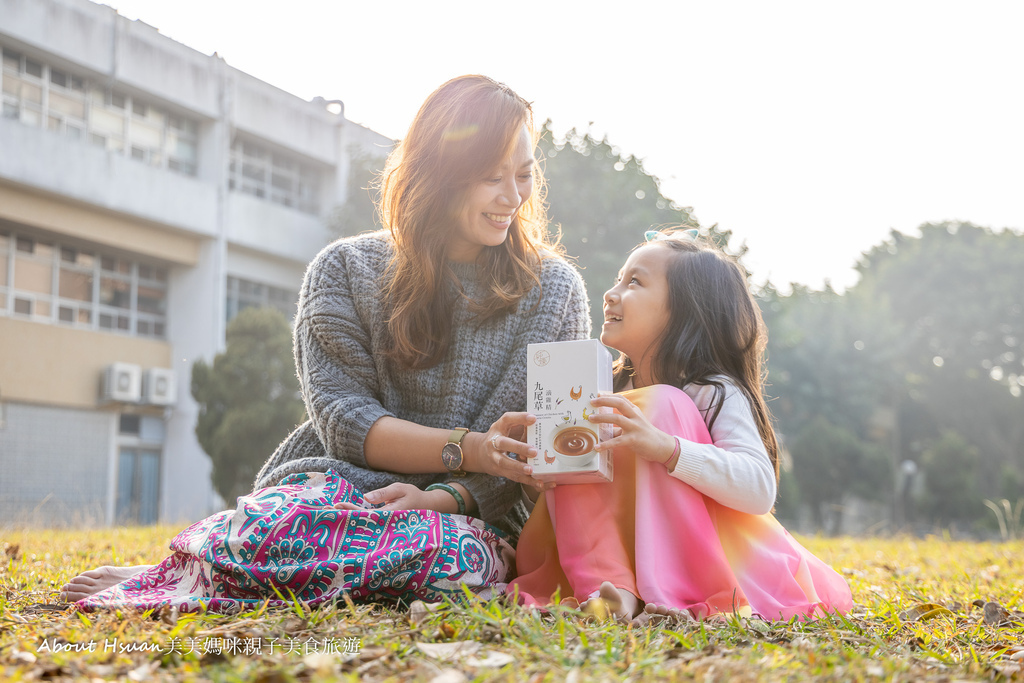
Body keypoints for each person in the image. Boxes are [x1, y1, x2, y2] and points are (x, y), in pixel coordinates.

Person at [60, 75, 590, 612]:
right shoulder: (344, 269)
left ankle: (205, 566)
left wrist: (447, 496)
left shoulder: (557, 290)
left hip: (468, 514)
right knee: (284, 530)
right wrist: (469, 446)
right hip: (339, 486)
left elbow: (542, 453)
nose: (513, 197)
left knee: (450, 566)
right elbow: (344, 419)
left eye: (523, 175)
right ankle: (198, 564)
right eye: (491, 178)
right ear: (439, 176)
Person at [508, 228, 853, 623]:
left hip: (709, 558)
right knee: (586, 423)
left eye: (634, 281)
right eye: (619, 278)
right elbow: (583, 499)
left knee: (662, 403)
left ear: (685, 311)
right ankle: (610, 591)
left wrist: (667, 449)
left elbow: (758, 488)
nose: (612, 291)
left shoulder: (712, 390)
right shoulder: (607, 390)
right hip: (608, 560)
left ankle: (672, 587)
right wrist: (537, 473)